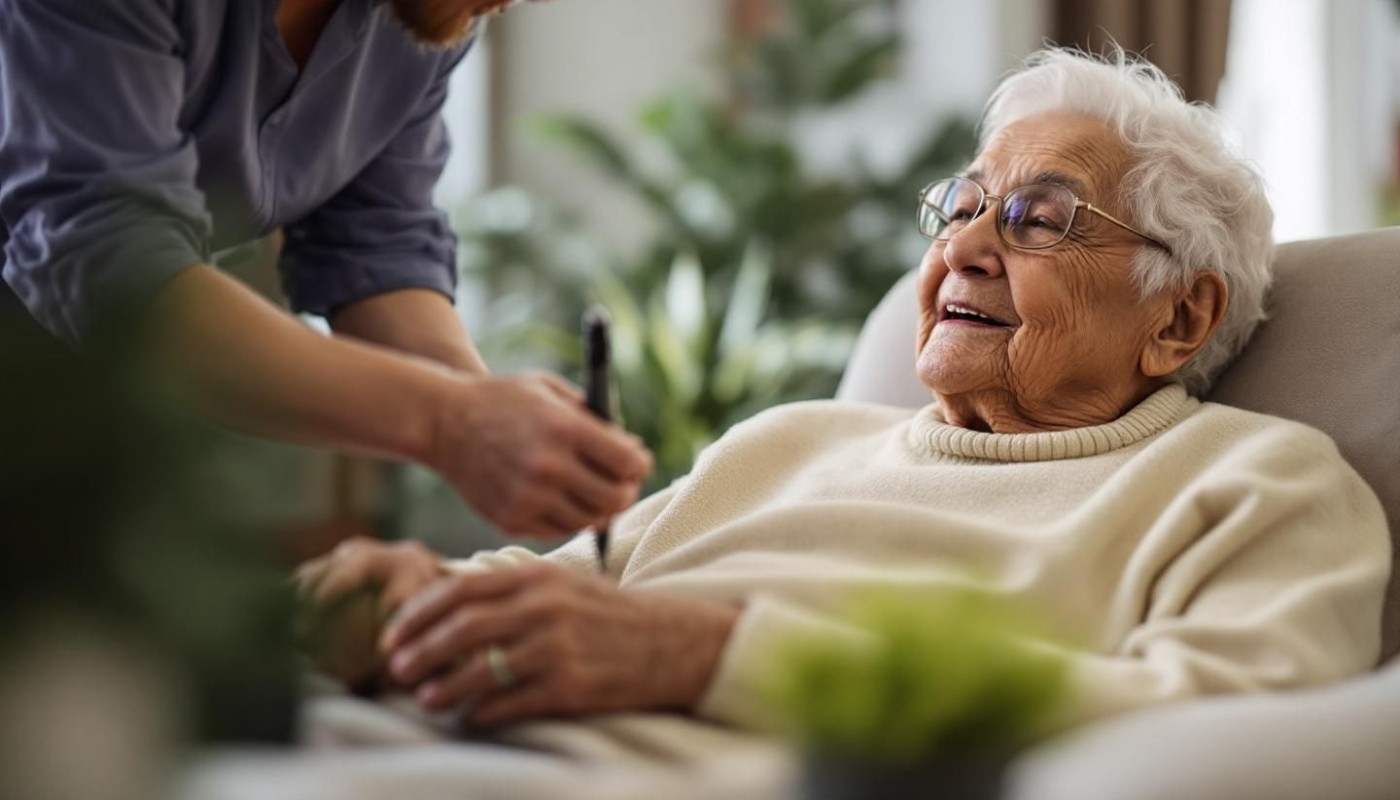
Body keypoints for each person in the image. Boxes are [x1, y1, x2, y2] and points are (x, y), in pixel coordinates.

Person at [295, 47, 1390, 756]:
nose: (960, 245)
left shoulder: (1257, 483)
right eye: (960, 207)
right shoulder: (785, 440)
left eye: (1036, 218)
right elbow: (559, 589)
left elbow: (1228, 735)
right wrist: (400, 595)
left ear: (1178, 319)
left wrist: (707, 655)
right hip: (408, 735)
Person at [0, 0, 651, 539]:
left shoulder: (424, 16)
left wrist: (508, 425)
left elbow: (376, 244)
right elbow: (112, 267)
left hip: (93, 434)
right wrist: (451, 423)